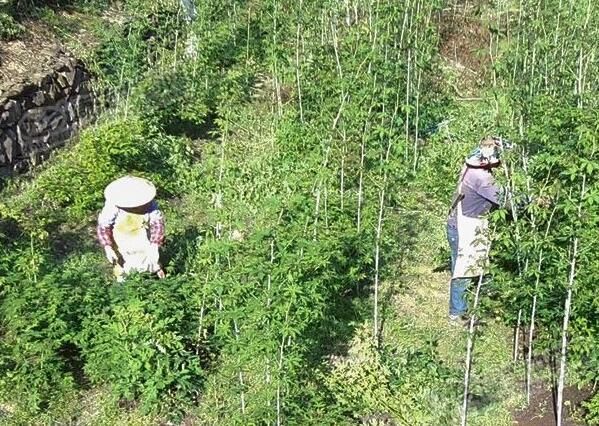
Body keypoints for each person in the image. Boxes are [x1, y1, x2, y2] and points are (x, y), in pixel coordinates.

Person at [446, 137, 501, 322]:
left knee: (472, 265)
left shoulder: (470, 166)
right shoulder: (481, 178)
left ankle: (480, 300)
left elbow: (478, 151)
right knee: (463, 270)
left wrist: (495, 142)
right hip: (464, 228)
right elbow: (507, 200)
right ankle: (457, 312)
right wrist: (535, 200)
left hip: (465, 224)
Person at [97, 176, 166, 281]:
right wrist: (108, 247)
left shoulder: (149, 204)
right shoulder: (113, 207)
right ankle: (124, 287)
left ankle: (154, 276)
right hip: (121, 240)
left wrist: (155, 244)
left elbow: (157, 223)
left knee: (149, 260)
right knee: (123, 266)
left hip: (142, 237)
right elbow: (103, 226)